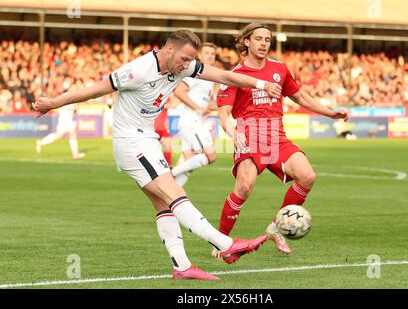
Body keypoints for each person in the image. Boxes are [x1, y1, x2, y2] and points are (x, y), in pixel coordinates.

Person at [33, 29, 282, 280]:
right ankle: (225, 244)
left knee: (163, 203)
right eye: (184, 59)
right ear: (169, 49)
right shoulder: (138, 69)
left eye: (190, 60)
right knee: (175, 193)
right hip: (131, 142)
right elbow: (96, 90)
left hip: (146, 138)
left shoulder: (183, 66)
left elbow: (226, 76)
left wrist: (262, 83)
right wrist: (55, 102)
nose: (187, 65)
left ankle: (182, 267)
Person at [214, 23, 348, 257]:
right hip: (251, 134)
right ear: (246, 42)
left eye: (267, 39)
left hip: (277, 136)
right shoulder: (234, 75)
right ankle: (220, 243)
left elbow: (300, 97)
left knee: (308, 176)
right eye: (258, 39)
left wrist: (329, 112)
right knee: (244, 188)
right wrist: (234, 134)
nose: (264, 43)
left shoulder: (279, 69)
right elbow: (223, 115)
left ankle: (276, 228)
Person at [172, 42, 218, 186]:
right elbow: (179, 91)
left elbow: (209, 104)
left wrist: (231, 105)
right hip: (192, 121)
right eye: (207, 53)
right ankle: (169, 174)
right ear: (199, 55)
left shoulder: (208, 77)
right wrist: (198, 108)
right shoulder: (195, 73)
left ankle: (173, 193)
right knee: (210, 156)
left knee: (189, 160)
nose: (210, 56)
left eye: (213, 53)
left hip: (193, 122)